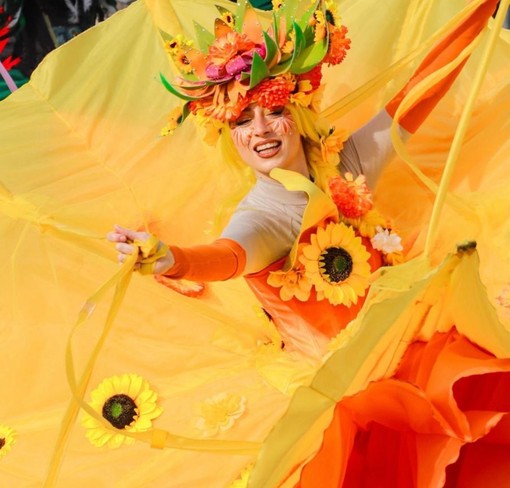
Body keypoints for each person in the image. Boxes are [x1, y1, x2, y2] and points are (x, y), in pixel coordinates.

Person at [1, 0, 509, 486]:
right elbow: (228, 256)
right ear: (229, 134)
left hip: (404, 344)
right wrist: (173, 260)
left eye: (271, 111)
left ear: (299, 112)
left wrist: (480, 10)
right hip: (339, 391)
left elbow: (419, 92)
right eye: (242, 121)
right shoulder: (263, 215)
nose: (260, 131)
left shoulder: (344, 162)